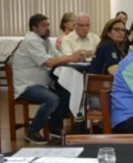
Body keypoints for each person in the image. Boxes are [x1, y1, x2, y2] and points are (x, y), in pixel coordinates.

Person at [11, 13, 88, 144]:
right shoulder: (31, 41)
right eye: (43, 25)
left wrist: (76, 57)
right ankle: (32, 131)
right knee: (52, 99)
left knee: (67, 94)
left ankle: (53, 127)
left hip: (42, 84)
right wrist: (71, 57)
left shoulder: (45, 41)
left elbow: (58, 55)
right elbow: (49, 62)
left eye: (48, 25)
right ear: (34, 28)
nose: (47, 28)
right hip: (27, 85)